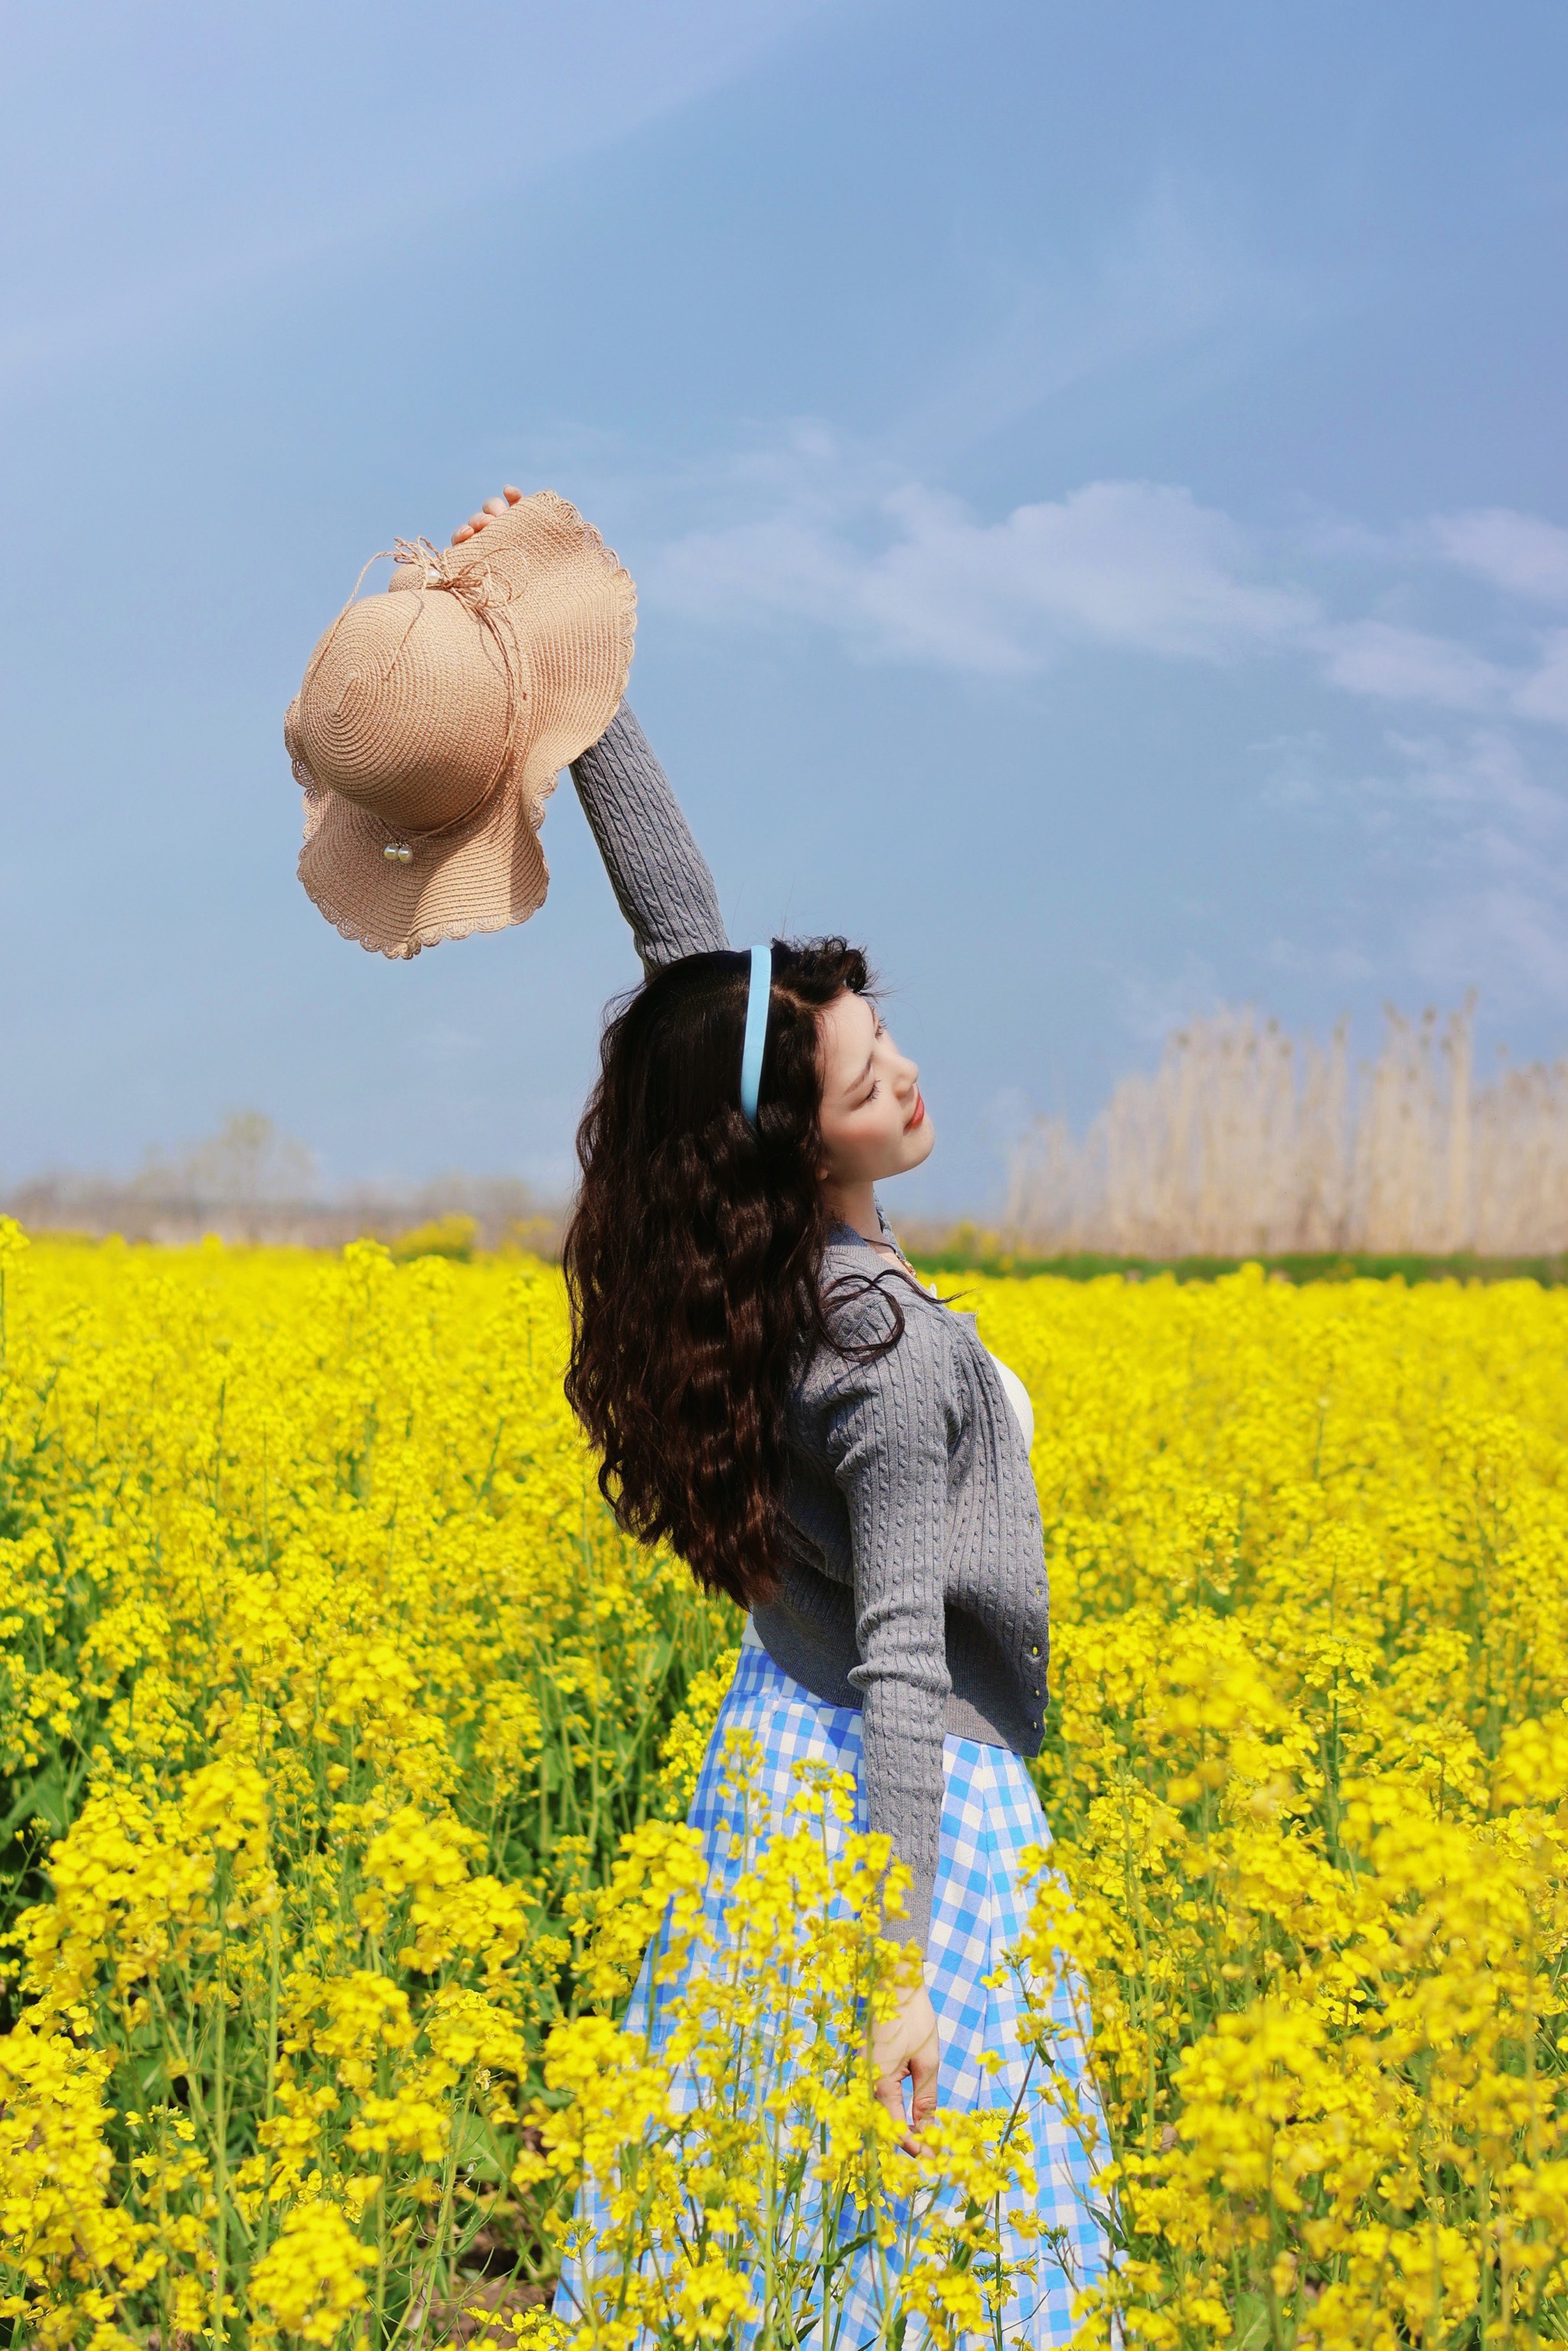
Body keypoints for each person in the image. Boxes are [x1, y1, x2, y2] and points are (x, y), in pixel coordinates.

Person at [455, 488, 1107, 2343]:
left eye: (870, 1023)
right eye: (854, 1069)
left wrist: (562, 674)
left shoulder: (748, 1279)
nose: (893, 1059)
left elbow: (686, 948)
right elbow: (909, 1660)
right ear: (787, 1141)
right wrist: (902, 1976)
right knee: (932, 2249)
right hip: (917, 1817)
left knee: (756, 2207)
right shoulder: (886, 1353)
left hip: (772, 1778)